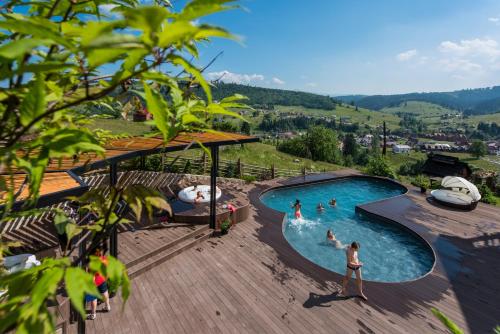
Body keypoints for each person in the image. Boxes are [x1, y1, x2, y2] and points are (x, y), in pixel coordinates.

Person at [86, 248, 111, 320]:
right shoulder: (104, 259)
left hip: (94, 283)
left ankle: (93, 314)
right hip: (102, 279)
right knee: (105, 292)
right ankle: (107, 306)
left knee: (93, 299)